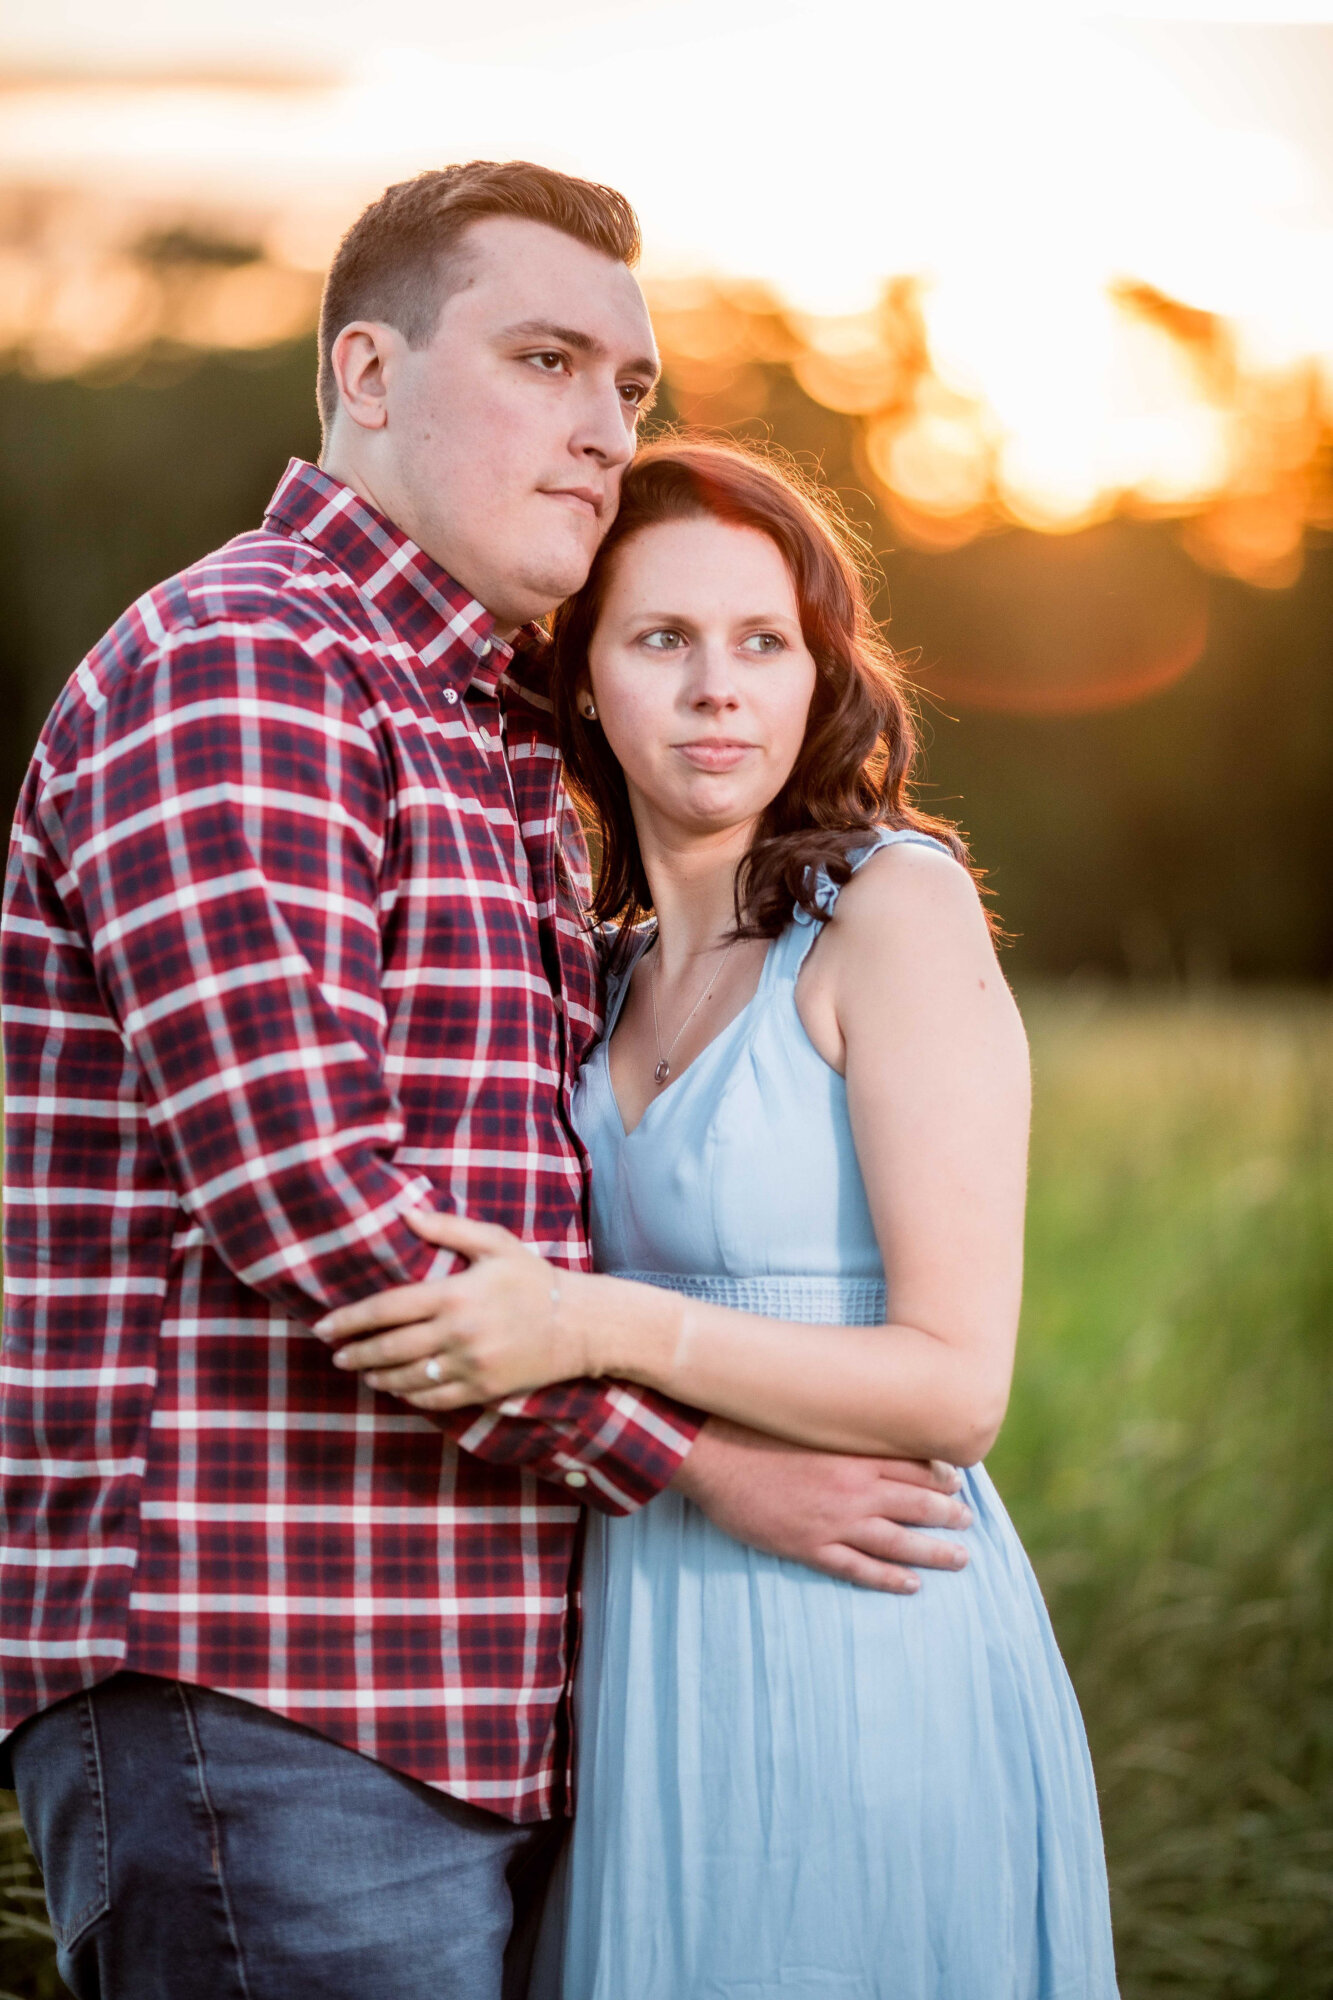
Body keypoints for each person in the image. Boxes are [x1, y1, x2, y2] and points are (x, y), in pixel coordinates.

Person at [0, 165, 972, 2000]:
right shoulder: (251, 662)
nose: (606, 432)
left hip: (474, 1687)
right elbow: (315, 1206)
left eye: (629, 389)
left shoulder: (488, 727)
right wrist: (699, 1467)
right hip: (270, 1668)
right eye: (545, 359)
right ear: (366, 372)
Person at [321, 439, 1121, 1997]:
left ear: (820, 677)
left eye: (764, 642)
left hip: (861, 1623)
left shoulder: (892, 908)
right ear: (583, 682)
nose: (716, 689)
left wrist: (592, 1319)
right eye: (662, 639)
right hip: (638, 1620)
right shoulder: (592, 973)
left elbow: (955, 1384)